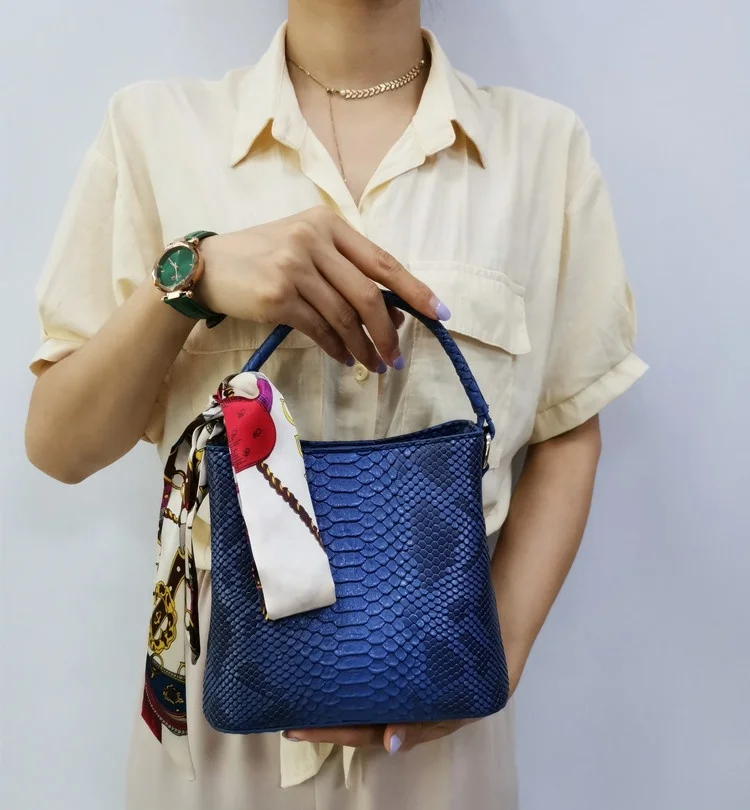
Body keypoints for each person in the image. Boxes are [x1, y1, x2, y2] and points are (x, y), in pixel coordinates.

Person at [25, 1, 647, 808]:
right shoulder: (153, 130)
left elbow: (568, 429)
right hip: (222, 742)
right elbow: (60, 446)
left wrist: (495, 658)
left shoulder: (542, 148)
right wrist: (194, 278)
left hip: (442, 741)